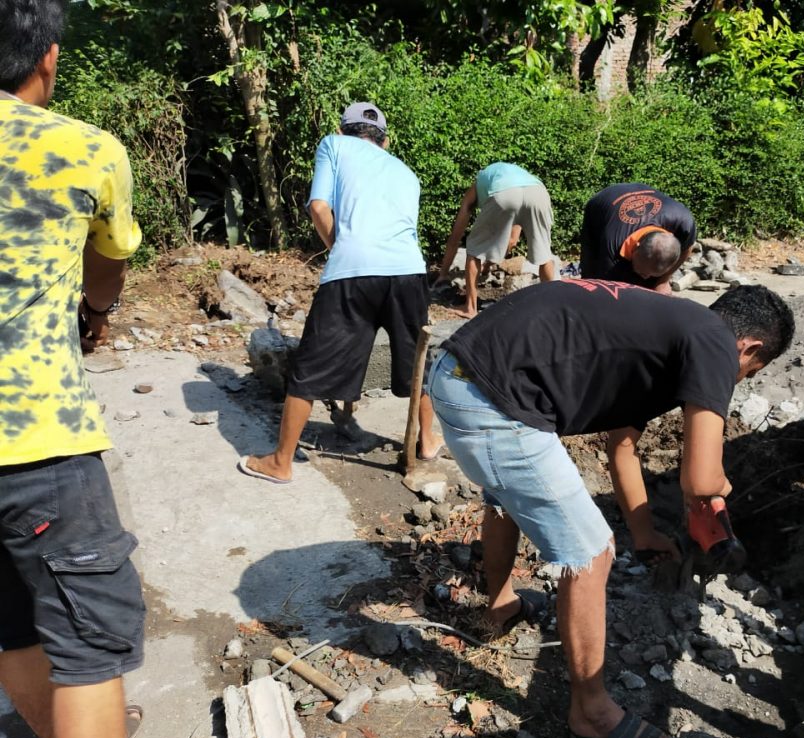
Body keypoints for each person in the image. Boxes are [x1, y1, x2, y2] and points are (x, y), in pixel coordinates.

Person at [427, 279, 794, 738]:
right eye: (751, 372)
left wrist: (643, 530)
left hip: (461, 372)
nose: (737, 381)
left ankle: (500, 606)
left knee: (508, 492)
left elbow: (621, 445)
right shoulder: (715, 343)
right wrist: (719, 488)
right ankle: (592, 715)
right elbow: (701, 481)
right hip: (492, 398)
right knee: (592, 552)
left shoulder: (671, 331)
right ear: (750, 347)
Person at [0, 1, 147, 738]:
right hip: (37, 440)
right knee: (90, 644)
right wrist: (94, 316)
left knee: (12, 623)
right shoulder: (86, 149)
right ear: (46, 58)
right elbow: (108, 265)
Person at [240, 101, 444, 484]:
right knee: (415, 360)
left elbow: (319, 207)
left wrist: (340, 247)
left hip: (353, 271)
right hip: (409, 272)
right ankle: (428, 441)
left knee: (310, 367)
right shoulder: (406, 172)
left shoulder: (334, 145)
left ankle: (281, 462)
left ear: (344, 129)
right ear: (384, 140)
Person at [438, 162, 555, 318]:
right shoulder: (517, 176)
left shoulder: (478, 184)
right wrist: (486, 268)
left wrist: (443, 273)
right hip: (538, 193)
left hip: (504, 193)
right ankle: (553, 305)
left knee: (473, 249)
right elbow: (512, 241)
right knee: (544, 254)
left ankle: (470, 308)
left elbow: (455, 237)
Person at [579, 182, 697, 292]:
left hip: (643, 193)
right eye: (642, 272)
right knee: (593, 279)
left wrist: (663, 280)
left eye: (651, 274)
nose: (646, 277)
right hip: (601, 203)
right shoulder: (612, 244)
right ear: (636, 247)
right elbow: (609, 288)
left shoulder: (684, 222)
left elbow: (687, 248)